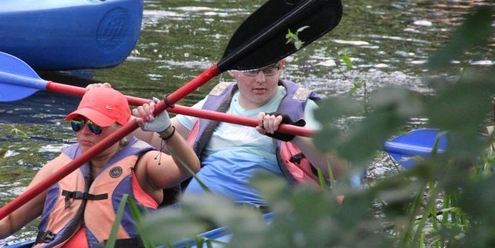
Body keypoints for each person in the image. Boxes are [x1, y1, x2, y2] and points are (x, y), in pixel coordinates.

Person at [0, 86, 200, 248]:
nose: (84, 132)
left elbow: (189, 167)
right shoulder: (60, 165)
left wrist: (166, 131)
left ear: (123, 129)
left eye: (96, 126)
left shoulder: (144, 164)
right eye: (78, 124)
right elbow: (8, 224)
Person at [132, 59, 348, 208]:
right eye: (252, 71)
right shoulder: (216, 101)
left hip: (262, 217)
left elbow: (338, 170)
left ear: (281, 68)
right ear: (232, 70)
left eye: (269, 70)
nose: (261, 79)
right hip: (197, 213)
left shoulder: (303, 108)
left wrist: (294, 135)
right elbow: (154, 140)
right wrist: (142, 120)